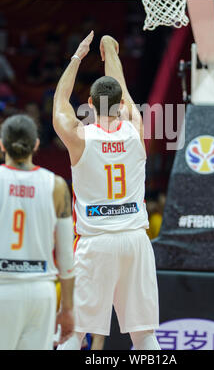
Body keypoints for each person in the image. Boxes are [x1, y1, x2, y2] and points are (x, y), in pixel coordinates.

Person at [53, 31, 160, 351]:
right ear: (122, 106)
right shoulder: (135, 127)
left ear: (88, 104)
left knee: (75, 335)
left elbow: (58, 104)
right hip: (135, 241)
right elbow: (124, 93)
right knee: (144, 336)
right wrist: (110, 50)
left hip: (96, 242)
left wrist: (77, 57)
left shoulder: (79, 136)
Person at [0, 114, 75, 350]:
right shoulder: (57, 185)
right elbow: (66, 257)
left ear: (2, 145)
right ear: (36, 144)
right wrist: (68, 309)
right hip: (41, 293)